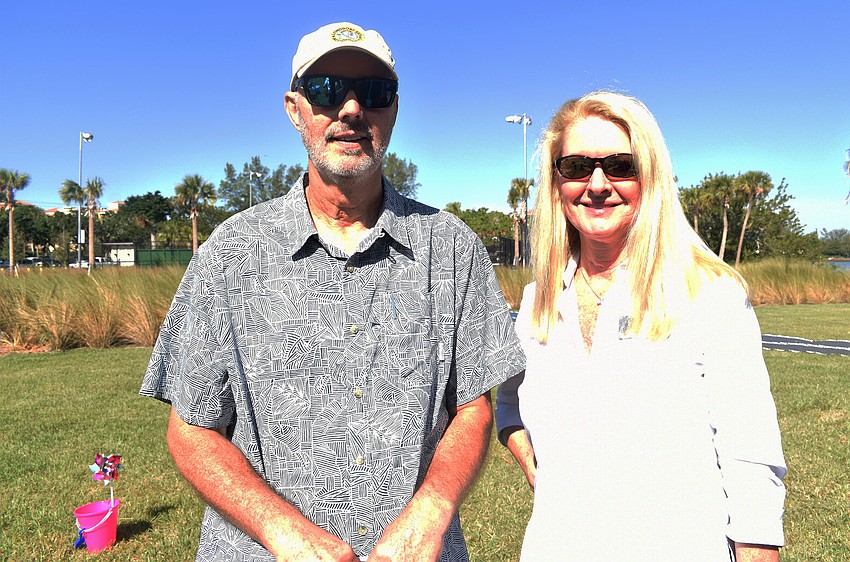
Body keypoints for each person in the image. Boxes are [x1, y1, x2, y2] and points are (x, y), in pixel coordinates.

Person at [140, 22, 525, 562]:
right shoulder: (231, 251)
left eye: (373, 93)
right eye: (325, 89)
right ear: (294, 108)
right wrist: (284, 532)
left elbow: (473, 406)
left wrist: (433, 509)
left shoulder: (452, 247)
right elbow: (190, 428)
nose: (350, 109)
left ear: (393, 110)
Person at [495, 91, 786, 562]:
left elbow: (750, 455)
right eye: (575, 167)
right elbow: (508, 402)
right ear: (556, 183)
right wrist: (537, 466)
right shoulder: (537, 304)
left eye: (620, 166)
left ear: (649, 176)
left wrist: (757, 550)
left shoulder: (708, 294)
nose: (597, 183)